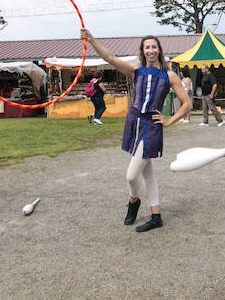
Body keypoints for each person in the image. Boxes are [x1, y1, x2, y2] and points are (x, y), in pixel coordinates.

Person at [80, 29, 192, 232]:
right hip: (134, 122)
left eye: (154, 46)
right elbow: (110, 58)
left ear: (159, 50)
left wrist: (168, 121)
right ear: (143, 51)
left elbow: (186, 104)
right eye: (147, 47)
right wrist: (92, 40)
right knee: (146, 173)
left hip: (152, 126)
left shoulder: (169, 75)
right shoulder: (136, 71)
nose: (151, 50)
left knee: (132, 176)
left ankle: (134, 202)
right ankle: (156, 215)